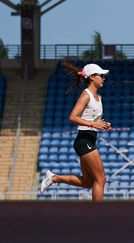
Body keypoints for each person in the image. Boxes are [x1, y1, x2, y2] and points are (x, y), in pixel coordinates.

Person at [40, 60, 112, 201]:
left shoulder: (99, 97)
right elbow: (72, 117)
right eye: (101, 75)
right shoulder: (86, 95)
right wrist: (93, 125)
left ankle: (54, 178)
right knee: (101, 179)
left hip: (89, 139)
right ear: (92, 77)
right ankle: (99, 214)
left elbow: (92, 119)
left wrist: (102, 124)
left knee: (88, 182)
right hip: (83, 140)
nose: (103, 78)